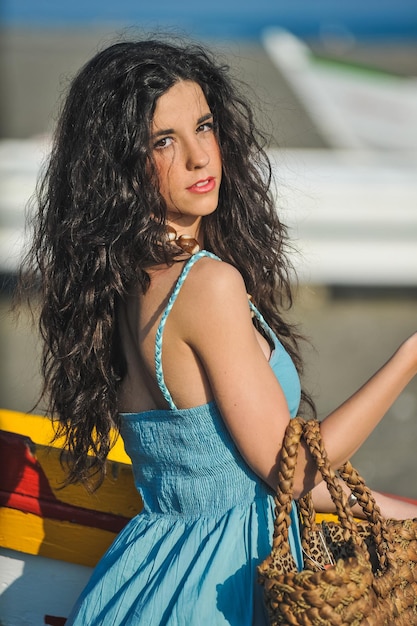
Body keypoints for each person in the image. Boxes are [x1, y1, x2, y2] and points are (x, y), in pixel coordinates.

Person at [20, 36, 417, 625]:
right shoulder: (206, 286)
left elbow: (216, 474)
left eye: (203, 127)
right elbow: (297, 477)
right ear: (120, 163)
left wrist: (391, 509)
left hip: (148, 576)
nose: (200, 157)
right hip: (224, 588)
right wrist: (409, 356)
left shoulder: (121, 287)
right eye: (163, 141)